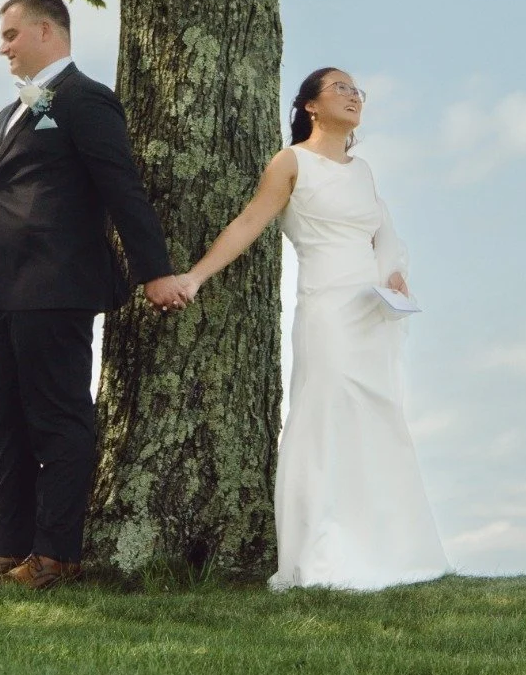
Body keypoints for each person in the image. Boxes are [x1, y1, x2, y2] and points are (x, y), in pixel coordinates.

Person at [0, 0, 190, 591]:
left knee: (59, 419)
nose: (2, 47)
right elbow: (5, 208)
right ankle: (8, 549)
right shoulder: (8, 115)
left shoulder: (87, 100)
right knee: (0, 418)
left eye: (11, 35)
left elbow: (122, 189)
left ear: (47, 32)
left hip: (56, 287)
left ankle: (56, 554)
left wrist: (155, 271)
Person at [178, 66, 449, 589]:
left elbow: (383, 237)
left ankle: (388, 548)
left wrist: (393, 274)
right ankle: (321, 550)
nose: (354, 97)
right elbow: (250, 221)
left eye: (358, 91)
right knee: (324, 418)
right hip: (326, 311)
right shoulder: (291, 162)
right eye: (341, 88)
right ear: (310, 105)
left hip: (371, 312)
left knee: (377, 420)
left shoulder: (363, 171)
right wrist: (195, 277)